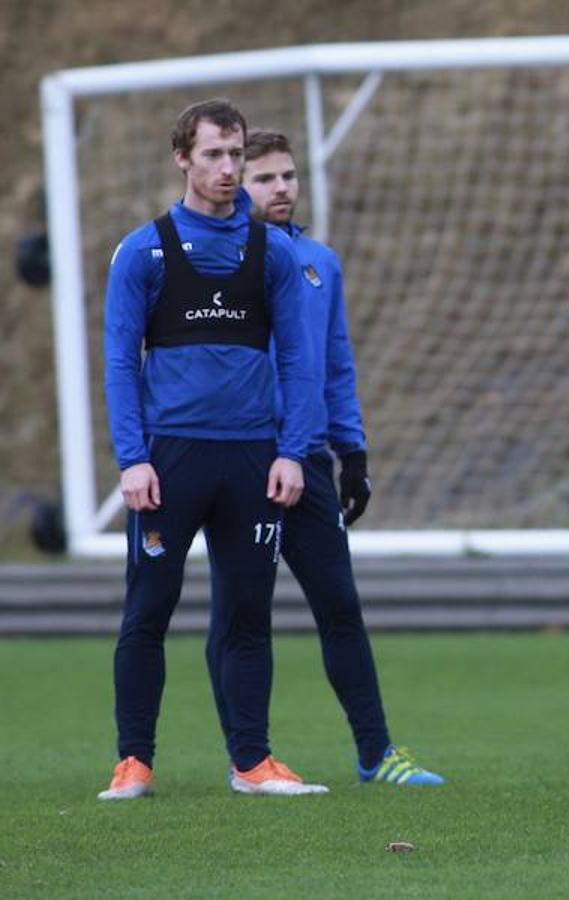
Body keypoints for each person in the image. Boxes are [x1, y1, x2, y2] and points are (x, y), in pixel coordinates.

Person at [100, 99, 327, 799]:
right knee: (148, 612)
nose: (228, 169)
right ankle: (134, 762)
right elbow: (119, 361)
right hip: (170, 460)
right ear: (183, 159)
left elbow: (300, 360)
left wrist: (292, 451)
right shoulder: (143, 250)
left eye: (235, 155)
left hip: (252, 458)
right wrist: (132, 458)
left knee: (249, 617)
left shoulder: (273, 251)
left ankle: (252, 763)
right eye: (213, 155)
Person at [226, 129, 442, 786]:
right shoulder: (216, 260)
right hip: (240, 457)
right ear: (236, 184)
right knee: (241, 612)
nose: (281, 188)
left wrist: (353, 451)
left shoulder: (318, 261)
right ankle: (249, 758)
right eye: (265, 178)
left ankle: (377, 753)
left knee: (340, 605)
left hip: (309, 458)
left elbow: (335, 363)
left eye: (288, 176)